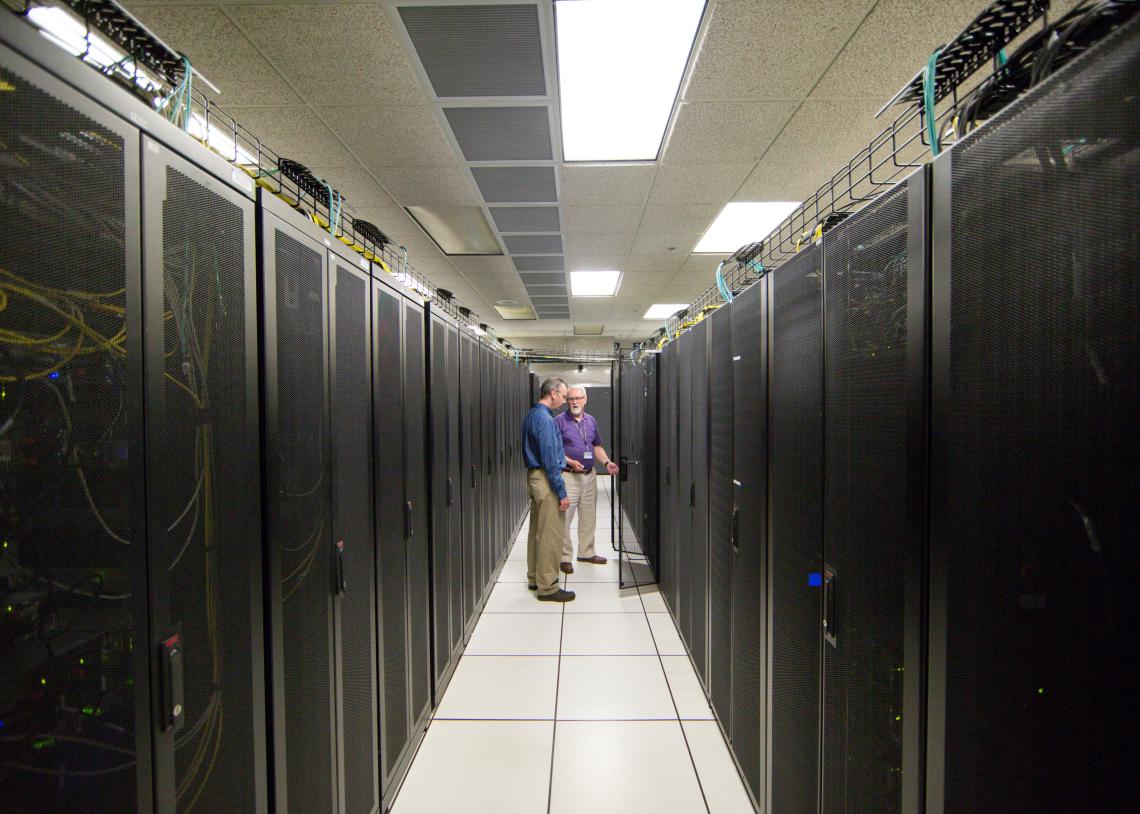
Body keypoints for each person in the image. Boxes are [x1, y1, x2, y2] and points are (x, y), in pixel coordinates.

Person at [521, 377, 576, 602]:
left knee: (537, 530)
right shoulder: (545, 419)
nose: (564, 401)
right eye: (563, 396)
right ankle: (548, 586)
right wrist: (561, 492)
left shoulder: (532, 414)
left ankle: (535, 577)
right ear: (553, 393)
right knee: (550, 534)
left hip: (535, 477)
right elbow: (550, 460)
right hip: (545, 478)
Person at [555, 386, 619, 574]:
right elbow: (554, 449)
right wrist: (570, 461)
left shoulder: (591, 421)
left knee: (589, 517)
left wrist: (607, 462)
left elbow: (596, 446)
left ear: (585, 399)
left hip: (589, 476)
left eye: (578, 398)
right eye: (571, 398)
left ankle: (586, 552)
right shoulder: (558, 421)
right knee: (565, 518)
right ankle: (564, 557)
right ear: (567, 401)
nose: (574, 402)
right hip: (568, 475)